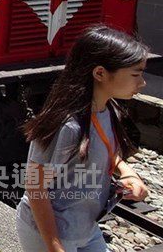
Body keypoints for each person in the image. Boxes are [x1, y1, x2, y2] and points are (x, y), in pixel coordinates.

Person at [16, 26, 150, 252]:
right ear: (100, 73)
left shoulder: (108, 110)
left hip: (85, 227)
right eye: (136, 74)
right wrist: (55, 247)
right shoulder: (67, 125)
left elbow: (106, 151)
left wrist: (128, 173)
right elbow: (35, 187)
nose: (142, 83)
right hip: (52, 232)